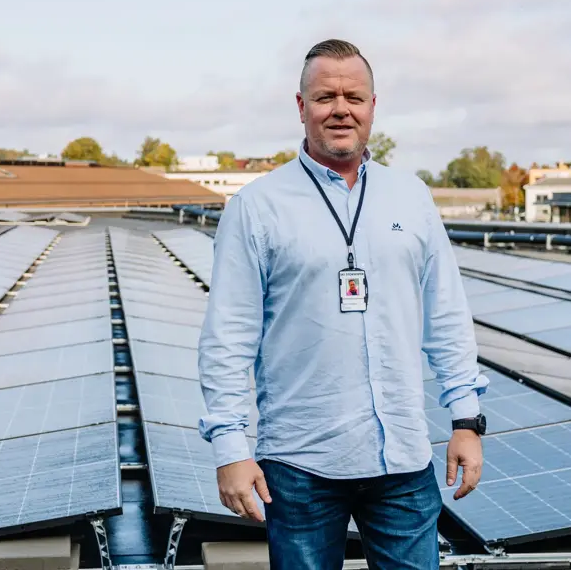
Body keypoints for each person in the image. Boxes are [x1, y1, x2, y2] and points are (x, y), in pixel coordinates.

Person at [198, 38, 488, 569]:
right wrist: (230, 448)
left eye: (353, 96)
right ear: (301, 105)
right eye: (325, 96)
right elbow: (228, 337)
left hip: (403, 457)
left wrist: (466, 420)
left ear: (373, 105)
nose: (340, 109)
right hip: (301, 464)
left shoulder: (412, 197)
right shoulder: (257, 208)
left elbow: (446, 316)